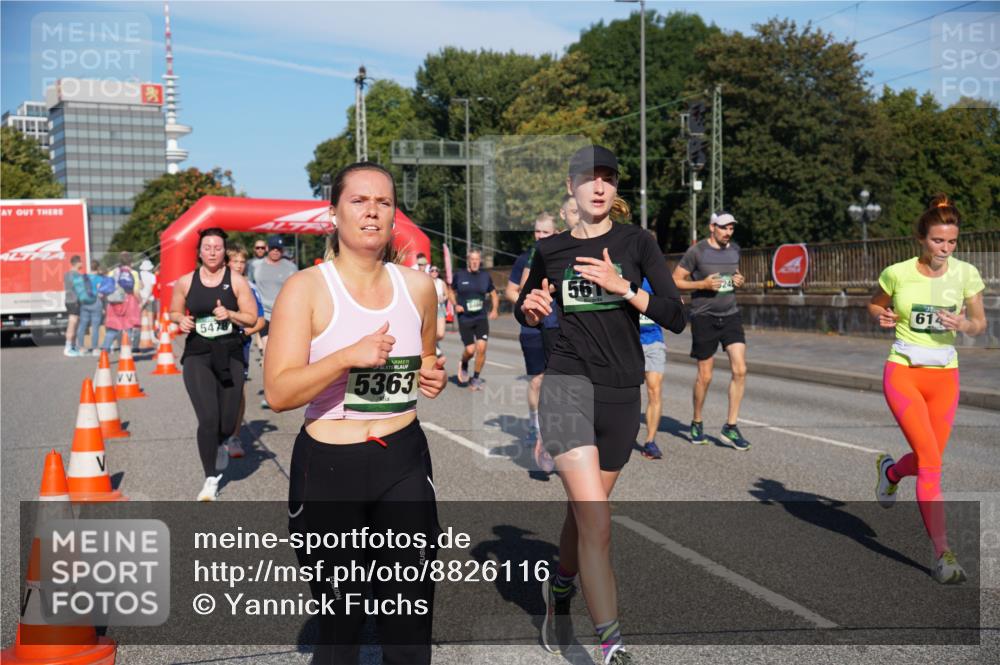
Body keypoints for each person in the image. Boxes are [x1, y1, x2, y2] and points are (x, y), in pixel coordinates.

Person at [263, 162, 448, 664]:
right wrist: (346, 356)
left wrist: (432, 374)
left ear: (394, 215)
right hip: (328, 468)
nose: (372, 211)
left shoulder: (418, 288)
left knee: (410, 624)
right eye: (359, 201)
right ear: (334, 214)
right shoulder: (306, 289)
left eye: (383, 202)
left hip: (403, 461)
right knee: (340, 628)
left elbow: (426, 357)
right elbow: (278, 392)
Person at [516, 145, 686, 664]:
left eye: (608, 178)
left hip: (619, 392)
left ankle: (560, 589)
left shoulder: (639, 242)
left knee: (582, 515)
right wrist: (530, 308)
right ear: (571, 187)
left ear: (615, 189)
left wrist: (624, 287)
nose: (599, 186)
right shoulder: (553, 250)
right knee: (597, 519)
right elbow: (528, 307)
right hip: (567, 385)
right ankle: (612, 645)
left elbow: (676, 316)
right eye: (589, 178)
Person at [869, 193, 986, 584]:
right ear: (922, 238)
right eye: (938, 241)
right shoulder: (898, 272)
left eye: (952, 242)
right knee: (933, 465)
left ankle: (891, 472)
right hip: (903, 372)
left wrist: (963, 326)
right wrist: (882, 315)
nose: (945, 249)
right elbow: (875, 305)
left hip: (944, 377)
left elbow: (979, 323)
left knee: (927, 458)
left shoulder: (966, 273)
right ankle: (943, 554)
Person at [169, 229, 258, 501]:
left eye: (217, 248)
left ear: (224, 252)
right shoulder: (186, 282)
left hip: (229, 352)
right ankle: (210, 479)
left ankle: (221, 441)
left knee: (228, 418)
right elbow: (173, 310)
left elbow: (252, 318)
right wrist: (179, 320)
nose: (211, 252)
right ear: (199, 251)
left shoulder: (237, 281)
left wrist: (230, 313)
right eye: (207, 247)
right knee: (208, 417)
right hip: (198, 354)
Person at [671, 212, 750, 451]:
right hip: (704, 316)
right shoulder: (697, 252)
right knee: (705, 376)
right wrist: (702, 284)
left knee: (740, 368)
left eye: (731, 228)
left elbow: (735, 276)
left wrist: (739, 280)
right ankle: (696, 420)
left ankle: (731, 426)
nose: (728, 232)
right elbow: (675, 280)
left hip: (730, 315)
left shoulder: (735, 249)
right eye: (724, 228)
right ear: (712, 227)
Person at [506, 213, 558, 473]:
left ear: (555, 233)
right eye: (537, 232)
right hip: (531, 328)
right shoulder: (525, 259)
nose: (540, 236)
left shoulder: (561, 256)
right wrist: (526, 307)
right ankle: (535, 425)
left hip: (555, 325)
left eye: (545, 233)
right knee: (537, 380)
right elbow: (511, 290)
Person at [223, 245, 266, 459]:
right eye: (235, 262)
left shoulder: (250, 287)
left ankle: (234, 436)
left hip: (240, 346)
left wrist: (243, 334)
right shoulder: (212, 285)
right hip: (214, 346)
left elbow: (260, 320)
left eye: (242, 262)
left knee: (237, 390)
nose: (239, 266)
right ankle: (218, 432)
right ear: (226, 262)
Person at [253, 235, 298, 407]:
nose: (276, 252)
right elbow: (251, 286)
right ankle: (269, 392)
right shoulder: (256, 266)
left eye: (279, 250)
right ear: (267, 249)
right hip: (264, 316)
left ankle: (286, 388)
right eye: (273, 249)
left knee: (284, 355)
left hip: (284, 316)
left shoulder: (291, 267)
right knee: (267, 353)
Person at [449, 248, 499, 390]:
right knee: (470, 350)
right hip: (465, 318)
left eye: (477, 259)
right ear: (468, 261)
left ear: (480, 261)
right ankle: (464, 361)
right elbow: (450, 291)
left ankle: (475, 378)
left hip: (481, 317)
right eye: (473, 259)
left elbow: (494, 294)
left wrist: (494, 310)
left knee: (482, 348)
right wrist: (455, 304)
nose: (475, 262)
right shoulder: (460, 275)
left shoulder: (485, 276)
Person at [638, 276, 666, 460]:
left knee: (654, 391)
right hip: (628, 341)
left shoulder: (656, 277)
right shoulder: (623, 272)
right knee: (626, 391)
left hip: (654, 340)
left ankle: (650, 441)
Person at [103, 252, 142, 355]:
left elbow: (106, 287)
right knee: (128, 329)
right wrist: (140, 302)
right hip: (129, 301)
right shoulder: (134, 273)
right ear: (131, 262)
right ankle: (125, 354)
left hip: (114, 302)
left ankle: (104, 354)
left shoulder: (113, 272)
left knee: (112, 329)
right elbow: (136, 291)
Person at [70, 258, 101, 357]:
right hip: (96, 303)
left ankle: (81, 348)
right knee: (95, 327)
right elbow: (101, 293)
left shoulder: (83, 277)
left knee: (82, 325)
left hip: (84, 303)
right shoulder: (98, 278)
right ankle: (95, 348)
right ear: (98, 268)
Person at [63, 255, 83, 356]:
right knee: (72, 324)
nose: (82, 264)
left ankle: (73, 347)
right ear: (78, 263)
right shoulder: (77, 275)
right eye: (81, 262)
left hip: (69, 300)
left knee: (75, 324)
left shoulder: (66, 274)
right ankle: (68, 347)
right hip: (74, 301)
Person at [136, 259, 158, 348]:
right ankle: (152, 337)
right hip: (149, 299)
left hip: (139, 298)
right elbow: (152, 288)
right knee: (150, 318)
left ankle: (138, 336)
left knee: (138, 318)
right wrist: (148, 297)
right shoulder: (152, 276)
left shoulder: (138, 275)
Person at [429, 265, 447, 356]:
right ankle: (433, 345)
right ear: (429, 272)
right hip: (430, 309)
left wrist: (443, 298)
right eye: (432, 270)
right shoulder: (427, 282)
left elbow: (446, 295)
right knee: (432, 331)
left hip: (440, 308)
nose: (434, 272)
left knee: (441, 334)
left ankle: (433, 343)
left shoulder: (441, 283)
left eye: (436, 270)